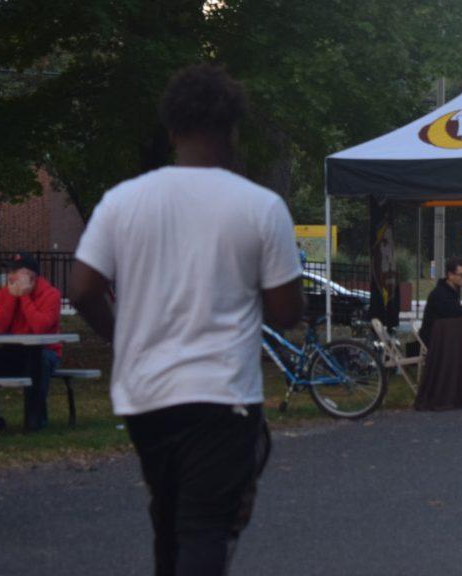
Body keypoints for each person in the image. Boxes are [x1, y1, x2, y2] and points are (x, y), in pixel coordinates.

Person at [69, 63, 305, 575]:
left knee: (168, 518)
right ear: (233, 130)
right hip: (222, 396)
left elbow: (83, 288)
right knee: (204, 529)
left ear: (171, 130)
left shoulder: (122, 201)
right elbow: (288, 313)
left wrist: (120, 336)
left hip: (145, 393)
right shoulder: (260, 208)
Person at [0, 252, 62, 431]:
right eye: (10, 271)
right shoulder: (3, 294)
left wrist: (24, 297)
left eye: (16, 272)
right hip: (14, 351)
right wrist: (12, 298)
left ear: (32, 276)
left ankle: (35, 421)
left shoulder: (50, 294)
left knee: (39, 363)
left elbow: (40, 328)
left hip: (44, 351)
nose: (11, 276)